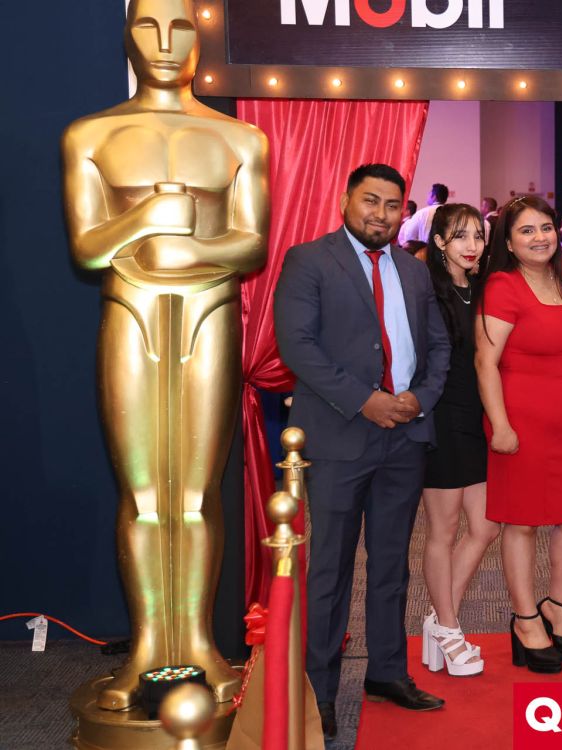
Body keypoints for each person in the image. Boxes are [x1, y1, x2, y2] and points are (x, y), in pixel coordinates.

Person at [61, 0, 268, 709]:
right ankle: (150, 647)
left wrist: (184, 252)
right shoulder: (92, 135)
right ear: (127, 35)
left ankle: (200, 645)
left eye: (180, 27)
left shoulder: (239, 138)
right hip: (131, 313)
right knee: (146, 496)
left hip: (209, 314)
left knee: (198, 495)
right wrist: (149, 216)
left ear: (200, 39)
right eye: (148, 26)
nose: (164, 42)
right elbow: (88, 247)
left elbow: (252, 243)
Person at [274, 164, 451, 738]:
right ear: (345, 200)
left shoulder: (413, 269)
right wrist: (365, 401)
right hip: (338, 436)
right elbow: (297, 345)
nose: (381, 213)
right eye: (370, 200)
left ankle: (387, 672)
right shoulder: (308, 260)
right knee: (330, 569)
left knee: (391, 564)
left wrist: (419, 399)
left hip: (405, 437)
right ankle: (319, 690)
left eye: (392, 204)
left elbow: (438, 345)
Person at [475, 195, 562, 675]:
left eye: (546, 227)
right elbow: (485, 361)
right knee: (521, 522)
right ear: (508, 241)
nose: (540, 237)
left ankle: (558, 610)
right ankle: (525, 620)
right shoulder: (503, 286)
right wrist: (500, 425)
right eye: (526, 230)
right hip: (520, 422)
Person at [420, 204, 499, 677]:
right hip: (441, 420)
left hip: (479, 420)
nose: (472, 246)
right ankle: (449, 627)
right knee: (443, 531)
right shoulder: (427, 291)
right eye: (460, 236)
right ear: (439, 242)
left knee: (486, 527)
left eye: (478, 237)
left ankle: (438, 619)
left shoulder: (484, 289)